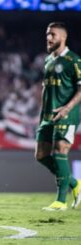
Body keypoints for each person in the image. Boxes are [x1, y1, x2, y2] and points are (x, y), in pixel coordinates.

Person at [35, 22, 81, 211]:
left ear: (63, 37)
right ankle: (74, 183)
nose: (49, 38)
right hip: (47, 115)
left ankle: (61, 201)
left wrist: (67, 108)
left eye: (53, 34)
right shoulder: (48, 60)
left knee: (60, 150)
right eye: (47, 34)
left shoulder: (73, 60)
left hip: (66, 115)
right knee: (41, 155)